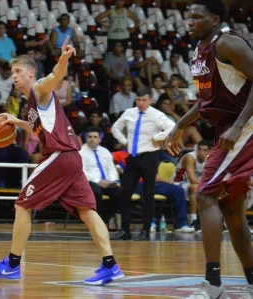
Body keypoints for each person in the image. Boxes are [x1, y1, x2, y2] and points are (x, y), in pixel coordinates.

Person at [0, 37, 124, 285]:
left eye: (18, 71)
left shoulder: (39, 88)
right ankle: (110, 265)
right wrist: (18, 123)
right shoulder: (32, 105)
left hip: (58, 156)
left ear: (30, 73)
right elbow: (40, 131)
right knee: (87, 211)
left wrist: (64, 57)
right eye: (12, 72)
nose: (13, 76)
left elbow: (55, 78)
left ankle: (12, 264)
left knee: (22, 204)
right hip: (71, 159)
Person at [166, 1, 253, 298]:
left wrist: (239, 125)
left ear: (214, 19)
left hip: (246, 128)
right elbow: (205, 102)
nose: (189, 22)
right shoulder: (200, 50)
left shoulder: (228, 43)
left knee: (204, 195)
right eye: (188, 17)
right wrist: (178, 125)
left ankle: (213, 284)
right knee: (232, 211)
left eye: (197, 17)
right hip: (228, 128)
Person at [110, 87, 175, 241]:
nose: (141, 103)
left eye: (144, 100)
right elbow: (115, 128)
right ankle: (125, 230)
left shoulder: (157, 115)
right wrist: (125, 141)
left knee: (148, 194)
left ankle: (146, 230)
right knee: (125, 193)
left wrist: (159, 136)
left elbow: (172, 127)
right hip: (132, 157)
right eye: (138, 100)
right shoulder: (129, 113)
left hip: (150, 156)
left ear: (150, 100)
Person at [79, 127, 121, 224]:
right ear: (86, 138)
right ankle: (95, 219)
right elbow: (81, 172)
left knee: (119, 193)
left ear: (100, 139)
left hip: (106, 181)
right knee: (97, 192)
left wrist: (112, 180)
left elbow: (111, 168)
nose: (92, 139)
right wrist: (98, 181)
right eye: (89, 137)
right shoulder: (81, 152)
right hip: (89, 181)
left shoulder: (105, 151)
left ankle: (105, 217)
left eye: (95, 137)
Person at [174, 140, 212, 230]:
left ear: (209, 151)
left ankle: (222, 222)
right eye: (199, 149)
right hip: (178, 183)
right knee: (195, 187)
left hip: (198, 184)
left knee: (222, 190)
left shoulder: (211, 159)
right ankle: (192, 220)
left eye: (204, 150)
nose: (201, 152)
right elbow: (192, 180)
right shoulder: (190, 157)